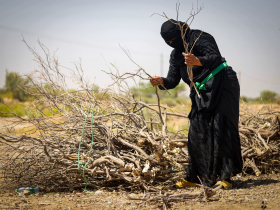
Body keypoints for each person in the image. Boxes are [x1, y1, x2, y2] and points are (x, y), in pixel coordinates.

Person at [150, 19, 243, 189]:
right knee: (196, 133)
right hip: (200, 92)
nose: (171, 43)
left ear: (181, 33)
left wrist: (196, 60)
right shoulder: (176, 55)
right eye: (167, 42)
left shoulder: (199, 37)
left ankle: (225, 178)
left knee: (221, 127)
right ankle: (195, 177)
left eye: (173, 39)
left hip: (222, 84)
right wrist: (161, 81)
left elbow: (214, 57)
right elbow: (172, 80)